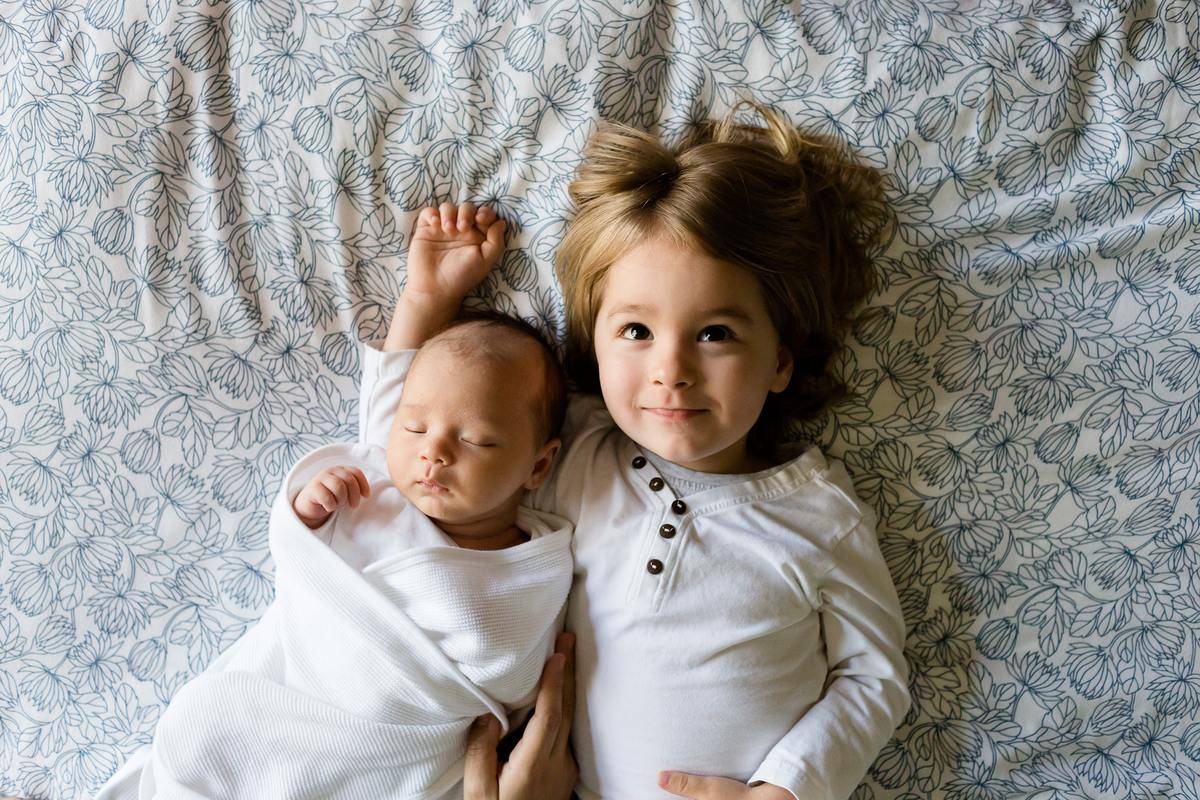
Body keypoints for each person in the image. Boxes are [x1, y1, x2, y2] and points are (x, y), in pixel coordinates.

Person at [394, 99, 912, 800]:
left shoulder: (818, 515)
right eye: (636, 331)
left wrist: (787, 789)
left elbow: (875, 676)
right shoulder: (567, 454)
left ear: (781, 362)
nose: (672, 370)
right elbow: (420, 437)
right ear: (593, 344)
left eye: (716, 333)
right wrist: (426, 302)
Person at [92, 207, 577, 800]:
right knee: (206, 739)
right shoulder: (377, 482)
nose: (434, 453)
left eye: (476, 440)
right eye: (416, 429)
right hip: (283, 708)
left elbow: (511, 677)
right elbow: (397, 385)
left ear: (538, 465)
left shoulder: (537, 566)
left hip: (393, 752)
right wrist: (308, 511)